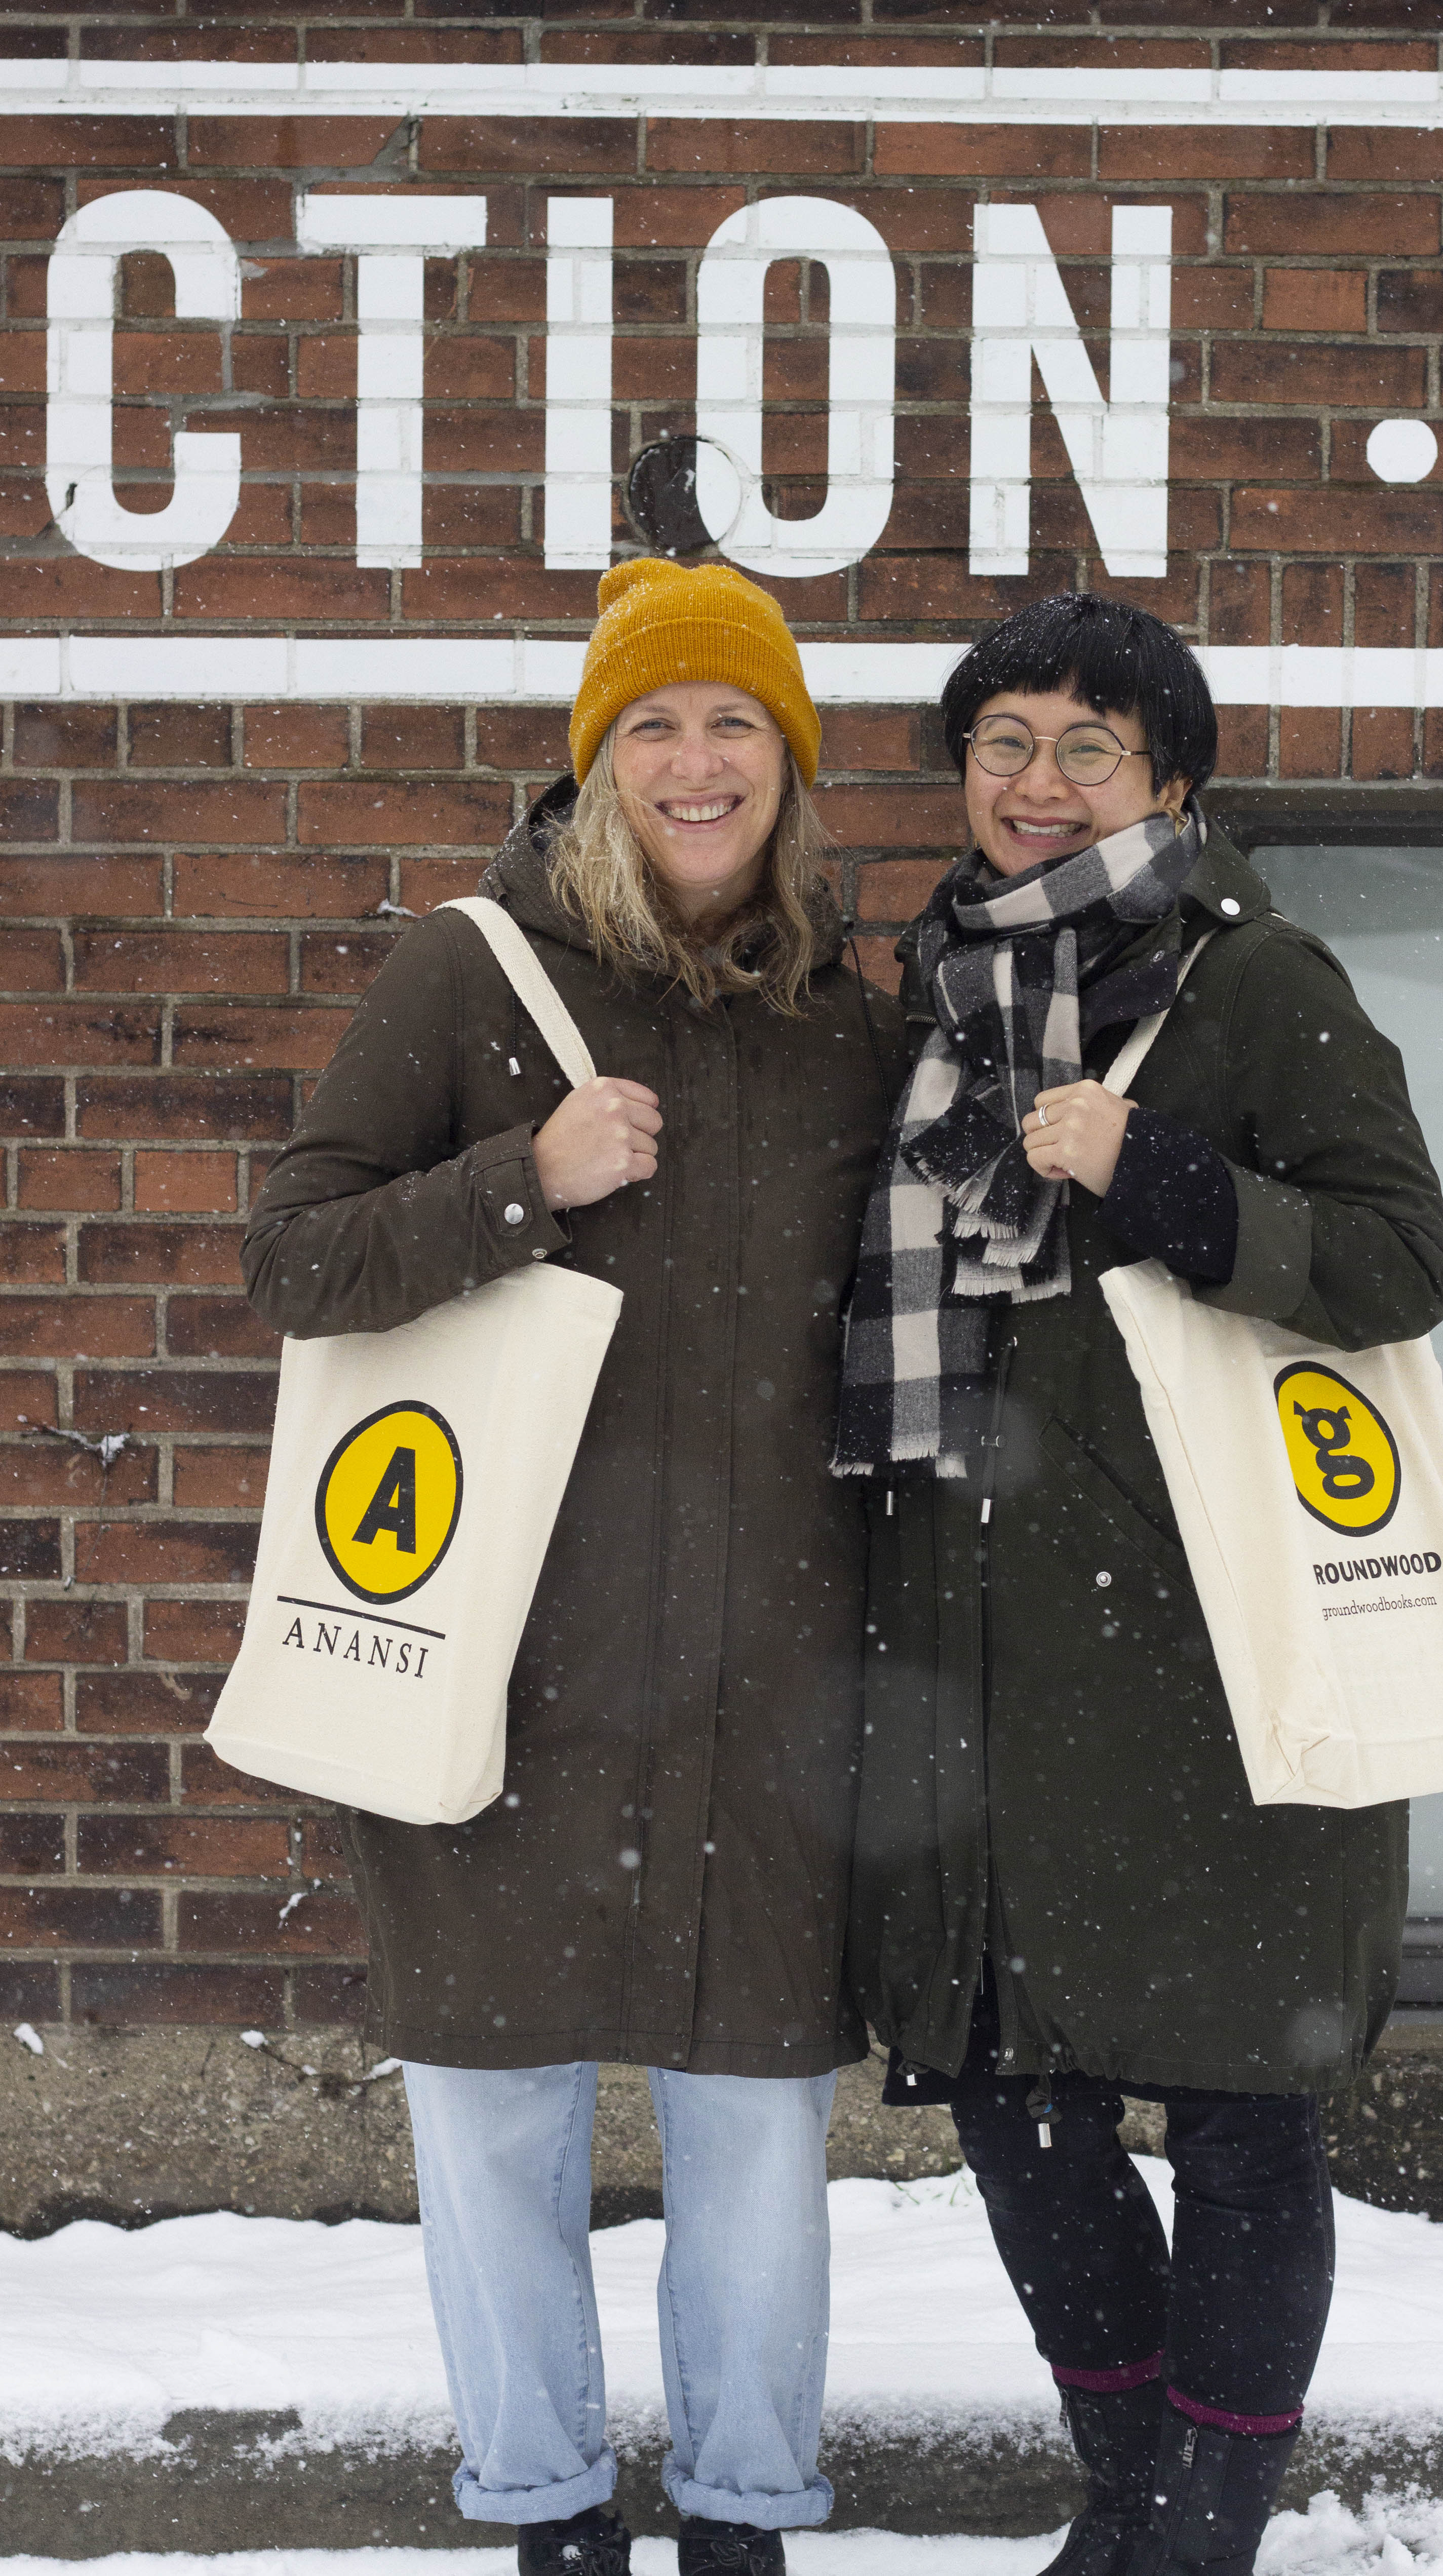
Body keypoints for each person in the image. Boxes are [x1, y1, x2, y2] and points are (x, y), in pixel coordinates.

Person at [243, 558, 906, 2576]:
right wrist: (515, 1184)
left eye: (732, 728)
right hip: (497, 1668)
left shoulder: (847, 1037)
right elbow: (295, 1257)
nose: (693, 764)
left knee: (754, 2145)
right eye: (652, 728)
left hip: (766, 1686)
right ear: (595, 766)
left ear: (784, 770)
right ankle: (542, 2511)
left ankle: (740, 2516)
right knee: (499, 2123)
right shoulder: (468, 977)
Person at [834, 593, 1443, 2576]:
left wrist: (1163, 1175)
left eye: (1084, 748)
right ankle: (1138, 2518)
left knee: (1242, 2125)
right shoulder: (925, 999)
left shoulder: (1254, 985)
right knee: (1016, 2107)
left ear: (1168, 784)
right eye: (1002, 742)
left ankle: (1189, 2542)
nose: (1035, 783)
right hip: (980, 1661)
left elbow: (1395, 1260)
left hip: (1216, 1668)